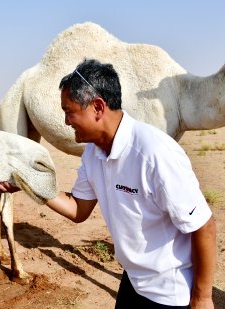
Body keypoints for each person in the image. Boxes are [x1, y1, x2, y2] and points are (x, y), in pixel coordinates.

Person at [44, 59, 216, 308]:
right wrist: (29, 184)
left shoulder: (154, 153)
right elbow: (77, 209)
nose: (66, 121)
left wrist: (203, 297)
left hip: (169, 291)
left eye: (69, 112)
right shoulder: (93, 153)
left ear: (97, 107)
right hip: (134, 281)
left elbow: (204, 226)